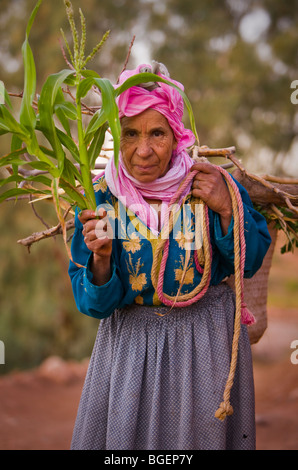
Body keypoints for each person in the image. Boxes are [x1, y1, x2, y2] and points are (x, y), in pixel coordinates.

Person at [68, 62, 271, 450]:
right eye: (130, 134)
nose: (143, 150)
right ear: (117, 135)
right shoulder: (100, 201)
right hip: (130, 349)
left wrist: (228, 210)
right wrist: (102, 259)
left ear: (177, 136)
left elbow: (251, 261)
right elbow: (92, 305)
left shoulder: (212, 186)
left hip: (205, 343)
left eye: (157, 133)